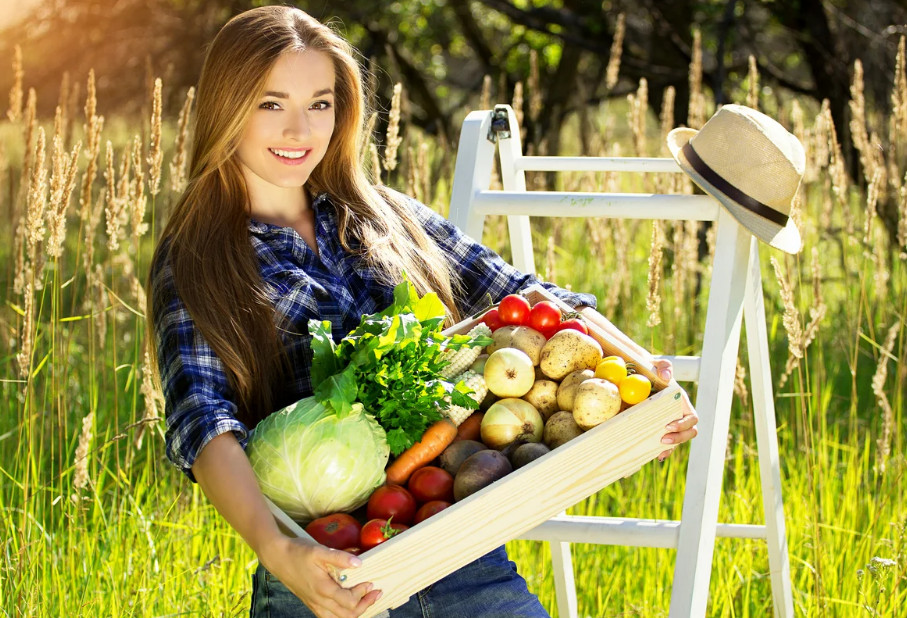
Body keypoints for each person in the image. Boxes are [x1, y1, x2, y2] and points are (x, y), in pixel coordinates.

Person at [146, 6, 699, 618]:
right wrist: (278, 551)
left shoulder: (381, 213)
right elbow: (204, 423)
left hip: (459, 549)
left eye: (321, 103)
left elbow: (525, 294)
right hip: (328, 572)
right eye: (270, 103)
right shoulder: (201, 256)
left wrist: (643, 379)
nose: (300, 129)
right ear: (228, 106)